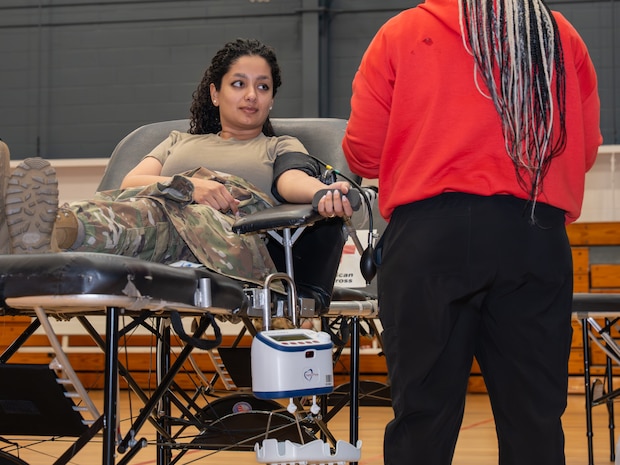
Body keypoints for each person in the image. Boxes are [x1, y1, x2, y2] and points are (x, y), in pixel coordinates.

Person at [342, 1, 602, 464]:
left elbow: (363, 152)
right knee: (534, 420)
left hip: (430, 235)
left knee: (422, 416)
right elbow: (583, 148)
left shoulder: (402, 32)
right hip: (533, 230)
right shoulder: (557, 33)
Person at [0, 38, 354, 287]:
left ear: (272, 99)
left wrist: (323, 193)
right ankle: (35, 232)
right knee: (139, 205)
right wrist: (189, 186)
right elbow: (129, 183)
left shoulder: (278, 145)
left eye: (263, 87)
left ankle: (48, 232)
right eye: (238, 84)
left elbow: (291, 180)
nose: (251, 95)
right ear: (215, 93)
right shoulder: (177, 141)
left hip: (223, 238)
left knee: (166, 215)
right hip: (160, 215)